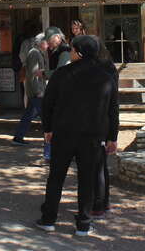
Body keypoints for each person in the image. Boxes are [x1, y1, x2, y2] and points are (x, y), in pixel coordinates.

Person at [37, 35, 119, 236]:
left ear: (79, 52)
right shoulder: (105, 76)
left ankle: (49, 218)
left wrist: (47, 129)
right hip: (92, 136)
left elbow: (47, 104)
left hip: (63, 133)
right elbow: (113, 110)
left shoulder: (62, 74)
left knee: (56, 176)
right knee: (86, 179)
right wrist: (112, 137)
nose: (70, 53)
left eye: (73, 50)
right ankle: (83, 222)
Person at [92, 38, 118, 218]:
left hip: (99, 120)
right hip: (106, 119)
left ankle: (98, 203)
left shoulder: (101, 70)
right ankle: (104, 200)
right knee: (101, 167)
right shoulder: (108, 66)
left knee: (97, 167)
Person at [12, 33, 48, 151]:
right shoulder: (34, 53)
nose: (48, 44)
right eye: (46, 41)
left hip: (34, 90)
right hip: (36, 91)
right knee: (46, 117)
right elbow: (33, 74)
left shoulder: (36, 53)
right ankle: (49, 142)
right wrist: (38, 91)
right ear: (41, 43)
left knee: (28, 115)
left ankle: (18, 137)